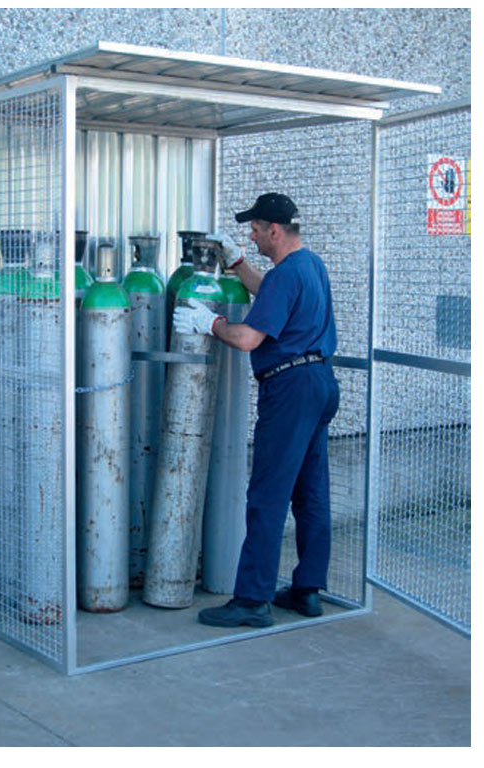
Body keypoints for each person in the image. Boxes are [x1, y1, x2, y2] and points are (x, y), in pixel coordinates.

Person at [173, 193, 340, 627]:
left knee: (267, 494)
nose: (251, 233)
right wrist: (236, 262)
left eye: (255, 227)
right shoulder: (310, 265)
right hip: (320, 383)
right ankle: (307, 590)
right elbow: (270, 295)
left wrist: (207, 323)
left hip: (290, 390)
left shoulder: (289, 272)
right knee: (310, 492)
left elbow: (248, 338)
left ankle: (252, 600)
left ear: (275, 231)